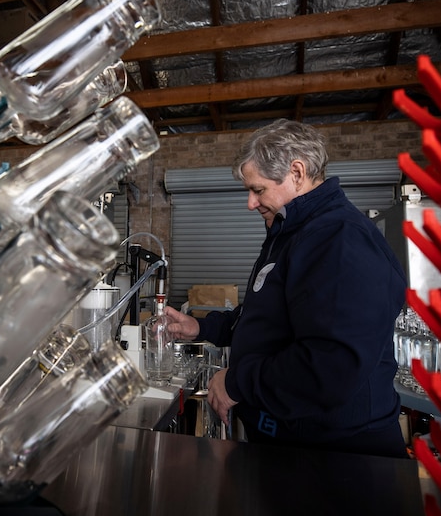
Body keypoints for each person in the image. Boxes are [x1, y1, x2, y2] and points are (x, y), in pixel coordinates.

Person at [164, 119, 408, 458]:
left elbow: (330, 364)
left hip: (335, 456)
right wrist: (202, 327)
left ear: (296, 172)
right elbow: (269, 319)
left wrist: (236, 382)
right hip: (294, 441)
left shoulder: (338, 239)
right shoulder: (293, 233)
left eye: (258, 189)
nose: (251, 203)